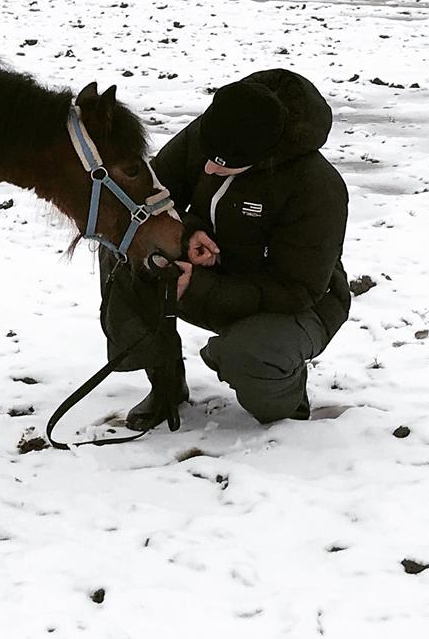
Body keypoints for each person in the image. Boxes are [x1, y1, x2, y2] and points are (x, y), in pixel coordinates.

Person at [98, 69, 350, 429]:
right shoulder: (222, 127)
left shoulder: (317, 187)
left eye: (224, 164)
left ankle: (287, 388)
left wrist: (198, 286)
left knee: (250, 356)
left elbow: (298, 289)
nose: (208, 167)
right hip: (213, 273)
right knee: (124, 253)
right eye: (207, 154)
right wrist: (187, 235)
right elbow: (151, 200)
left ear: (264, 156)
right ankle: (166, 383)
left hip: (295, 301)